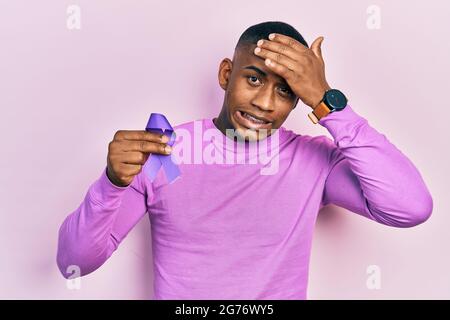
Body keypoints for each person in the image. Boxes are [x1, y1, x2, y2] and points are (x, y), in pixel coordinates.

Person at [57, 21, 433, 299]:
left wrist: (328, 100)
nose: (265, 103)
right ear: (226, 74)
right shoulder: (164, 152)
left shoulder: (314, 161)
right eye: (253, 79)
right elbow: (74, 263)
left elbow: (411, 207)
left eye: (285, 90)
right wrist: (111, 183)